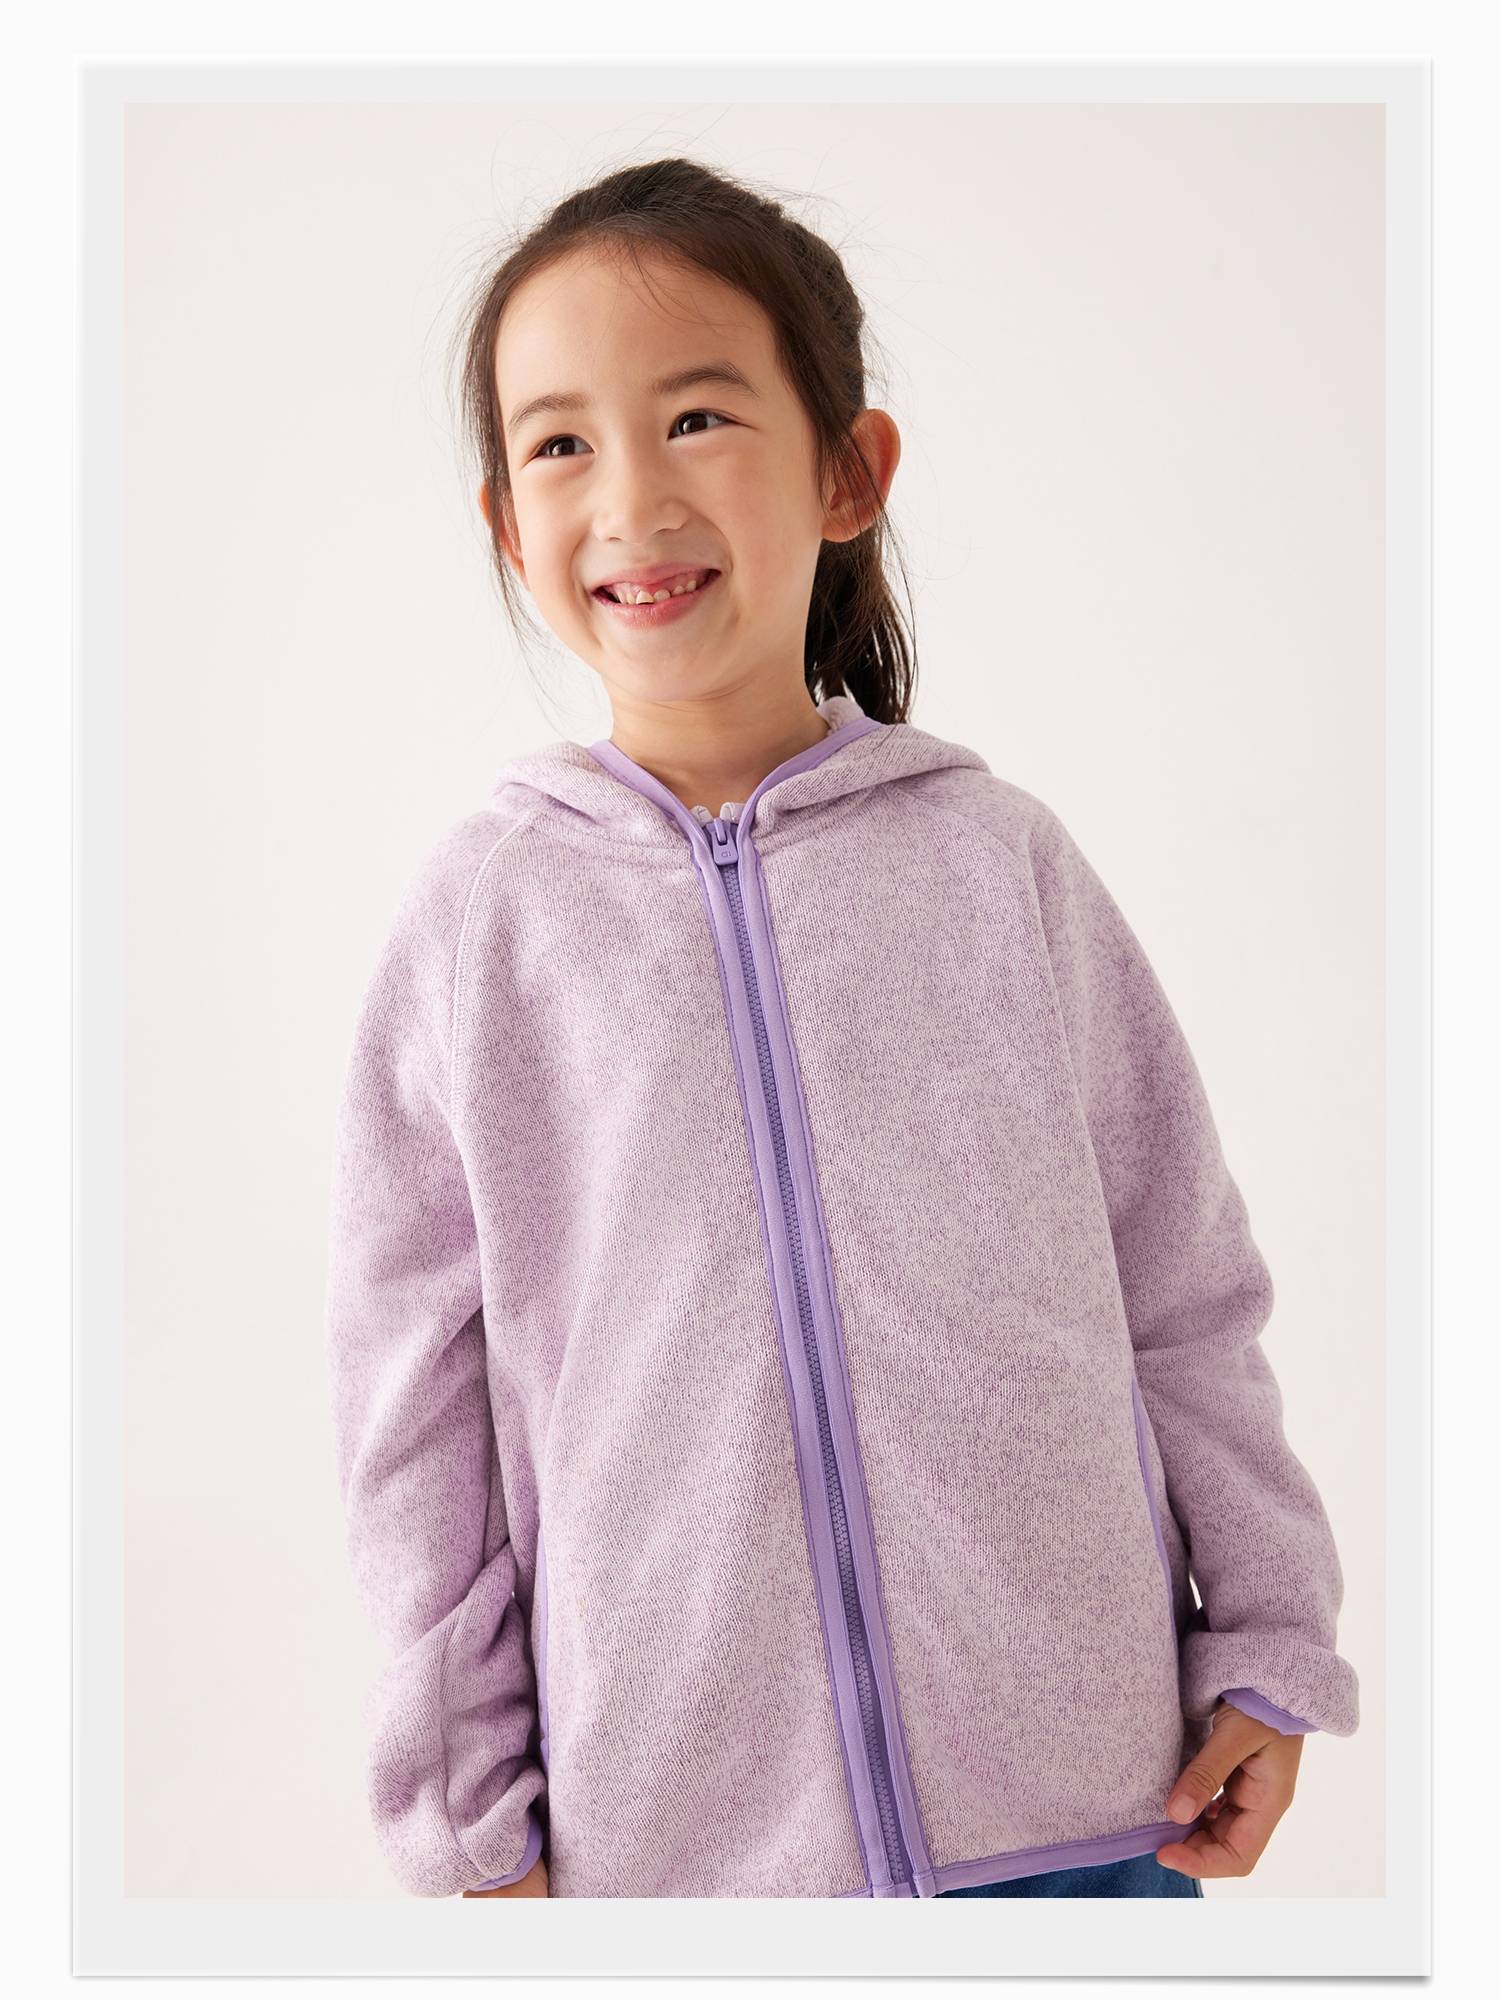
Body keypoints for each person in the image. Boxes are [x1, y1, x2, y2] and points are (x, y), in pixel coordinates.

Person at [323, 156, 1358, 1903]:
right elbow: (409, 1416)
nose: (632, 496)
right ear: (507, 524)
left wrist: (1268, 1636)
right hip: (686, 1858)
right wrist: (465, 1812)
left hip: (1081, 1812)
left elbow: (1182, 1281)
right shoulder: (480, 930)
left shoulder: (997, 864)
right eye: (562, 445)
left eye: (697, 417)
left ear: (846, 472)